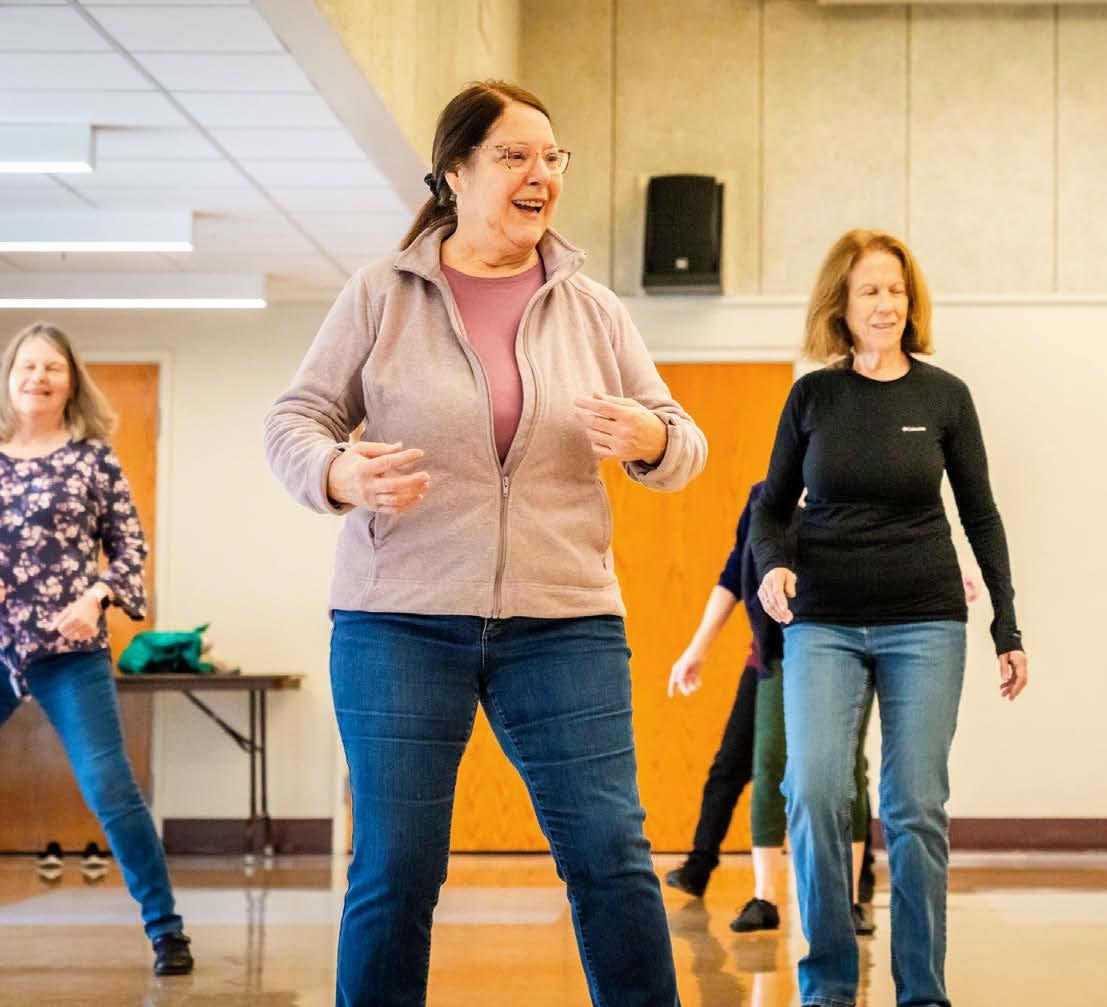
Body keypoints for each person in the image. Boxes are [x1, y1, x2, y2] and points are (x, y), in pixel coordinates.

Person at [264, 80, 706, 1007]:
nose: (540, 173)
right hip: (398, 621)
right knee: (396, 866)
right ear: (456, 174)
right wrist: (339, 473)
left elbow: (681, 438)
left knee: (611, 854)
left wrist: (651, 438)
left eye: (552, 156)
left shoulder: (592, 309)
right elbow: (296, 419)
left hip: (564, 621)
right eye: (514, 155)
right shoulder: (381, 295)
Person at [753, 229, 1029, 1006]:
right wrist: (772, 563)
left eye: (897, 290)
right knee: (813, 790)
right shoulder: (813, 397)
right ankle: (829, 984)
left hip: (924, 621)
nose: (886, 303)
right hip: (824, 620)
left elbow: (981, 515)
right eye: (869, 290)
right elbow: (769, 507)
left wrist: (1007, 625)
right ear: (841, 304)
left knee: (915, 806)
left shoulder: (944, 397)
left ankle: (923, 990)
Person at [0, 321, 194, 977]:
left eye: (52, 367)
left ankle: (166, 930)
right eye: (27, 365)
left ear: (71, 382)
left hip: (69, 648)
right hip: (0, 640)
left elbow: (130, 547)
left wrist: (96, 597)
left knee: (110, 785)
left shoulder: (93, 458)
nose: (38, 377)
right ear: (9, 377)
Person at [665, 484, 878, 935]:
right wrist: (696, 648)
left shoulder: (851, 490)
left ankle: (850, 897)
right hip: (774, 653)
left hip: (843, 650)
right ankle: (763, 897)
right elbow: (733, 575)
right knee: (762, 764)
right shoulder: (764, 499)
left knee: (845, 771)